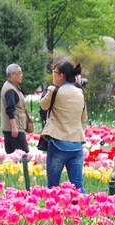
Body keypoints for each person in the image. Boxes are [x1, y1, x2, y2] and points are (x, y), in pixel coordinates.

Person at [40, 60, 88, 191]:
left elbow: (43, 105)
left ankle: (52, 211)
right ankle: (87, 209)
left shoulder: (54, 91)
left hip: (58, 143)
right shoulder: (80, 92)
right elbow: (84, 117)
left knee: (53, 186)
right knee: (78, 185)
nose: (53, 76)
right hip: (76, 144)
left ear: (61, 76)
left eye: (54, 73)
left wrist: (49, 90)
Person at [0, 63, 31, 154]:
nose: (21, 75)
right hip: (15, 129)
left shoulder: (11, 86)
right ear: (12, 75)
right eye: (19, 73)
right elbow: (10, 109)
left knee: (13, 156)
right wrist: (14, 127)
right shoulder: (10, 89)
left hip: (12, 128)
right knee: (23, 155)